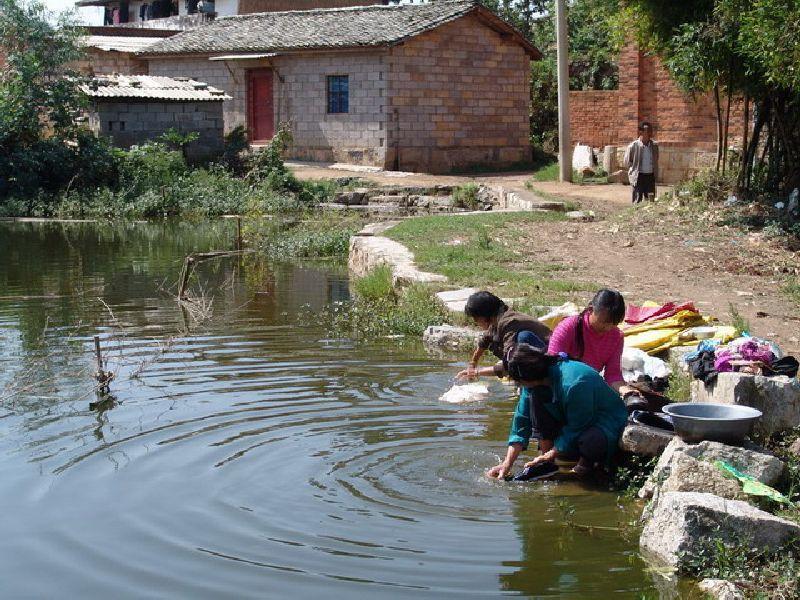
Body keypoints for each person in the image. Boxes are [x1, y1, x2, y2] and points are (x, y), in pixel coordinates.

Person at [487, 344, 628, 480]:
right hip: (572, 418)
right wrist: (507, 463)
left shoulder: (575, 383)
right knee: (535, 398)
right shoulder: (533, 383)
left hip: (604, 421)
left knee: (591, 442)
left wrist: (553, 452)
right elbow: (521, 421)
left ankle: (584, 469)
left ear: (525, 378)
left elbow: (578, 426)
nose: (520, 385)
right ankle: (549, 464)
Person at [456, 291, 551, 380]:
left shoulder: (509, 324)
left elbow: (510, 364)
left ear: (484, 316)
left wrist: (477, 372)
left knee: (520, 345)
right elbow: (485, 341)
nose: (475, 322)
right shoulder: (497, 318)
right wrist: (473, 363)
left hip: (549, 357)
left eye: (475, 318)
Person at [623, 121, 659, 204]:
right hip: (638, 176)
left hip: (650, 176)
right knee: (637, 200)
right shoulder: (633, 146)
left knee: (650, 200)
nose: (650, 132)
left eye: (651, 130)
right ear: (641, 132)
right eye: (647, 130)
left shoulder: (654, 146)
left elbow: (656, 160)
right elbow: (627, 161)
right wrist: (634, 169)